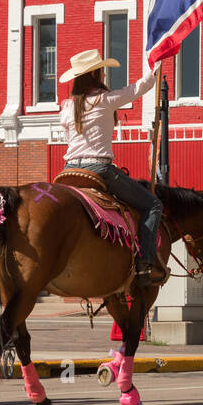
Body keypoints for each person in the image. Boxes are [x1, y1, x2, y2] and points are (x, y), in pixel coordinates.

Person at [58, 49, 162, 286]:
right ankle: (145, 264)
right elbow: (138, 88)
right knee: (153, 205)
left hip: (69, 169)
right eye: (101, 70)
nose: (104, 74)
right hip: (99, 168)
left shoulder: (66, 106)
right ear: (95, 73)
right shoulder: (104, 100)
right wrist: (155, 66)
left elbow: (69, 138)